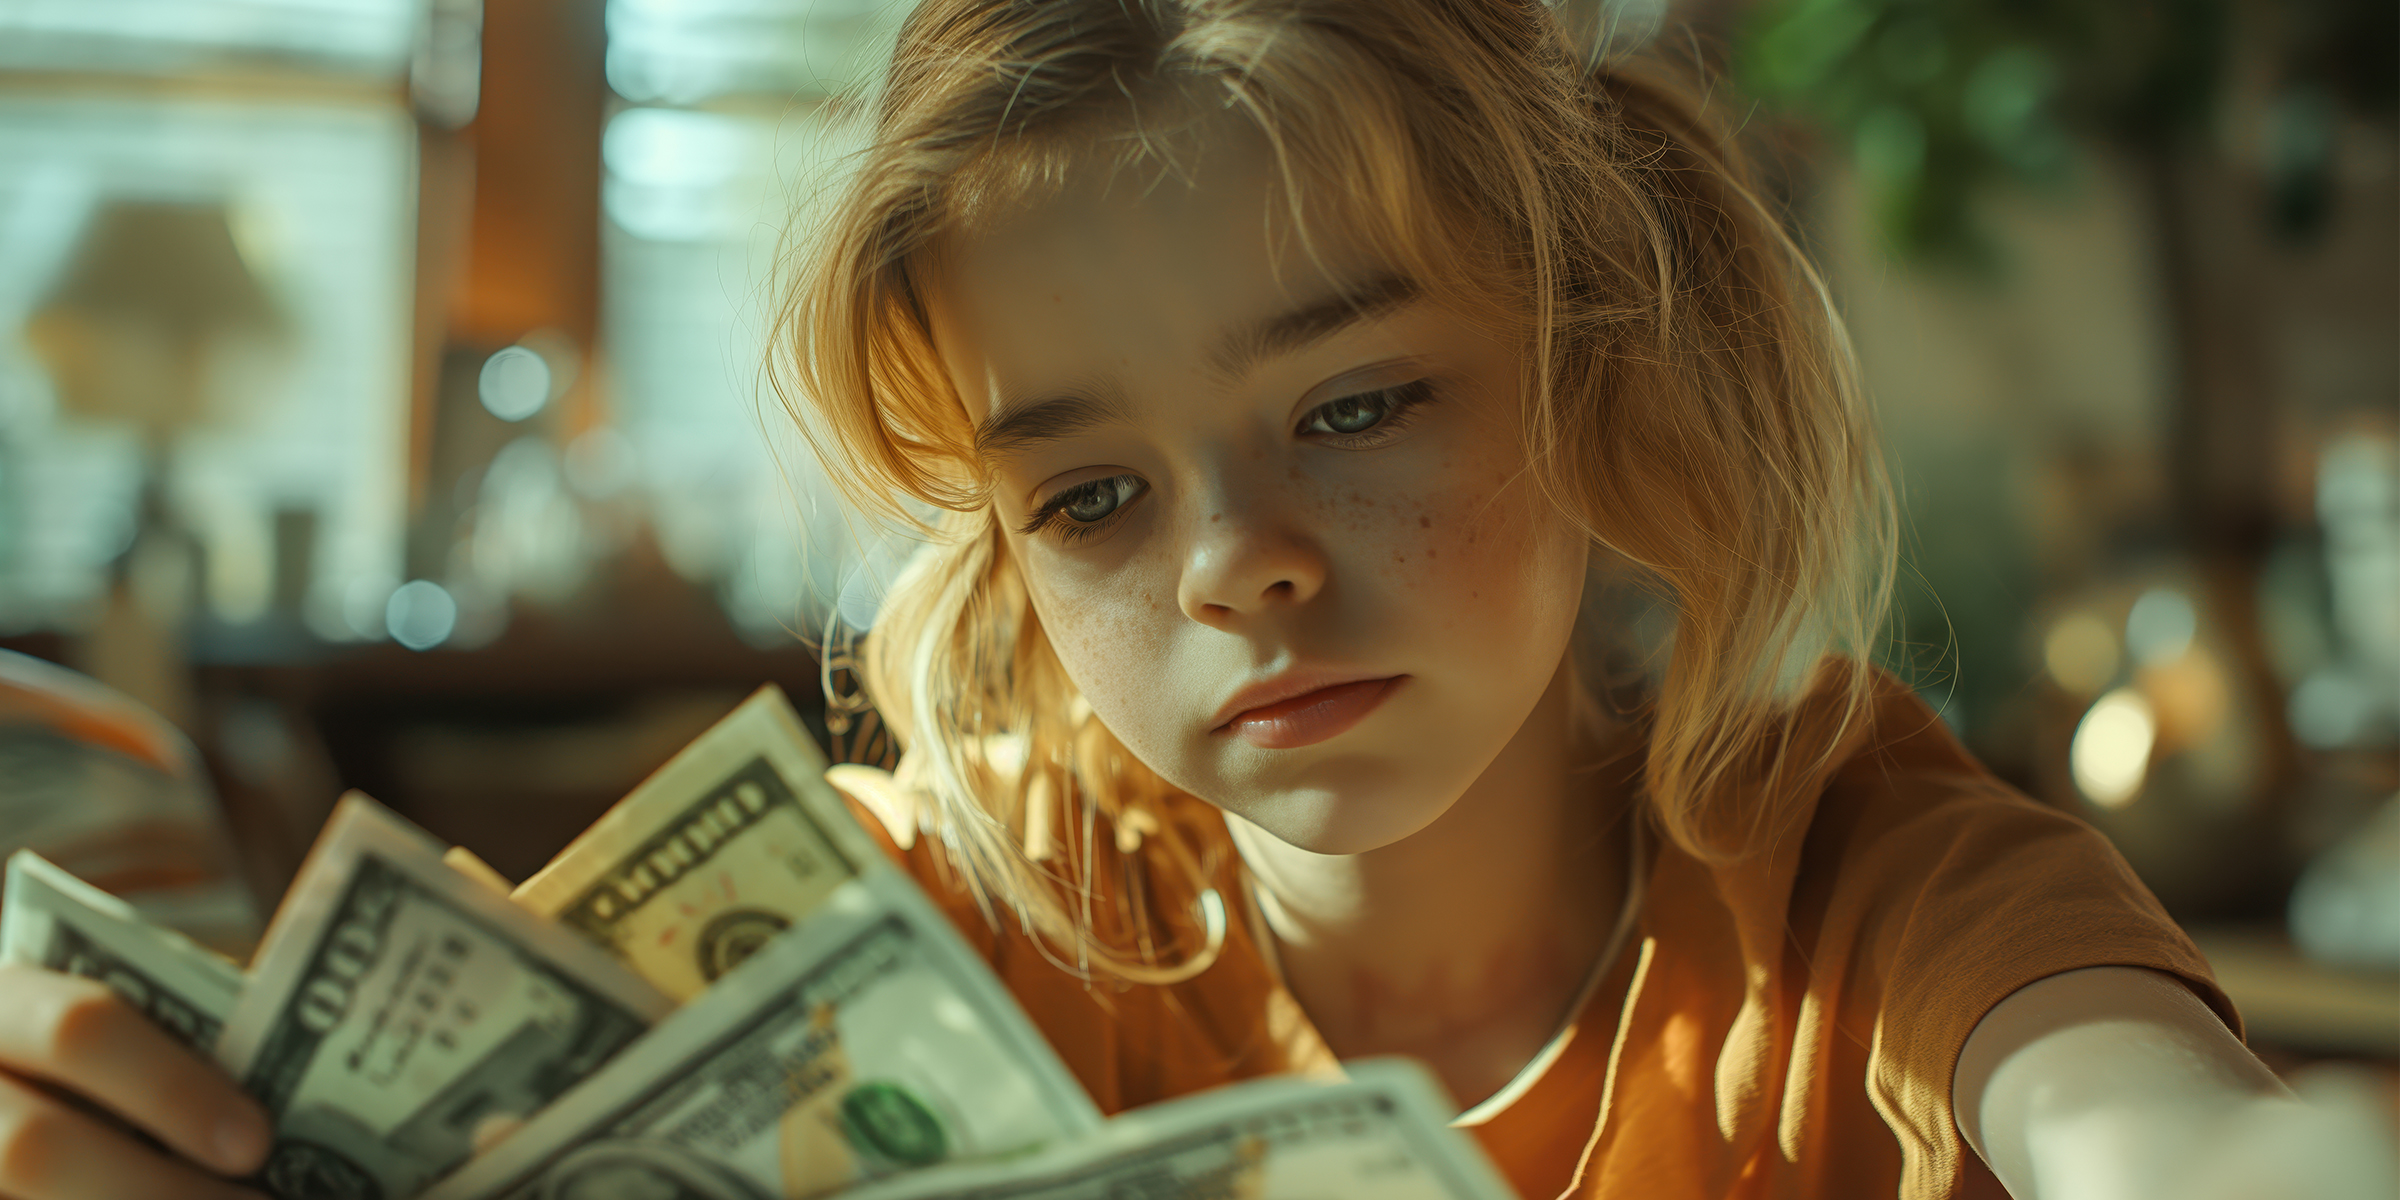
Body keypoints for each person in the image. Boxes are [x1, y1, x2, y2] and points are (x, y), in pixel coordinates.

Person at [0, 3, 2383, 1199]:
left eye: (1357, 405)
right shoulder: (930, 910)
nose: (1236, 559)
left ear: (1598, 369)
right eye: (1096, 493)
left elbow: (2143, 1121)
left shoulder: (1856, 861)